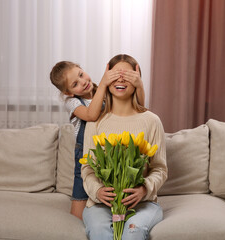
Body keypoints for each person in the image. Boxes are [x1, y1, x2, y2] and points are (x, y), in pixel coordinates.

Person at [81, 54, 168, 240]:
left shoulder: (152, 121)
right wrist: (97, 191)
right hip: (100, 205)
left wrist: (144, 189)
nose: (120, 79)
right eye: (114, 74)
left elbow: (160, 169)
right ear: (106, 79)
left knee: (132, 231)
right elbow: (87, 168)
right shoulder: (95, 123)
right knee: (99, 232)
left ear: (137, 80)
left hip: (143, 204)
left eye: (127, 75)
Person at [50, 61, 145, 220]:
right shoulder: (73, 103)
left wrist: (139, 85)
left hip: (110, 153)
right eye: (75, 84)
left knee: (112, 199)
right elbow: (91, 115)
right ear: (69, 93)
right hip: (86, 156)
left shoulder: (106, 91)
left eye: (81, 75)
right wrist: (103, 83)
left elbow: (138, 107)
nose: (83, 82)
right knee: (77, 216)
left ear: (82, 69)